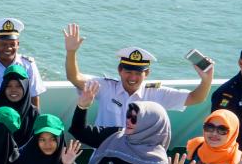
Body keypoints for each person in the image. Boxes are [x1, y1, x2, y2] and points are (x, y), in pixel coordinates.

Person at [63, 26, 213, 127]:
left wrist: (206, 79)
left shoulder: (156, 93)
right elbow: (74, 77)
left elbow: (196, 98)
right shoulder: (106, 87)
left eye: (138, 73)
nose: (132, 77)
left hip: (137, 156)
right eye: (128, 71)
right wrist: (71, 52)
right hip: (105, 152)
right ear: (119, 70)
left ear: (146, 74)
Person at [0, 64, 38, 144]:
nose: (13, 90)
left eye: (19, 86)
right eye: (9, 86)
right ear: (3, 87)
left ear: (25, 87)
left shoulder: (34, 113)